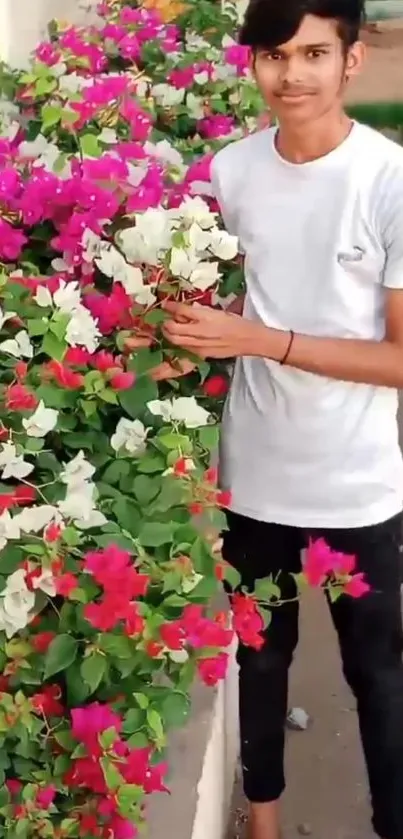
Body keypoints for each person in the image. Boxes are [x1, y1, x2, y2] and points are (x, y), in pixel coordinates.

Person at [127, 2, 403, 837]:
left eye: (314, 52)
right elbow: (237, 297)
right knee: (260, 658)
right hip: (255, 471)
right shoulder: (232, 170)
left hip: (357, 483)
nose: (292, 75)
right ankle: (265, 823)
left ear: (351, 60)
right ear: (251, 63)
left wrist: (260, 338)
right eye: (274, 55)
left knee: (379, 678)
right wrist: (197, 343)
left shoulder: (388, 180)